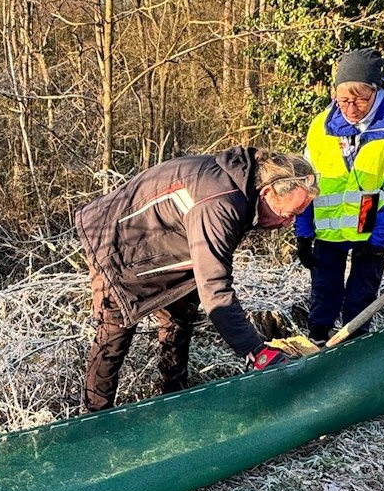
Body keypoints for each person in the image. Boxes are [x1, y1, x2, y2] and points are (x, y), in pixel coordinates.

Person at [74, 147, 319, 412]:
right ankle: (93, 417)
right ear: (268, 192)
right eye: (289, 215)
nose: (288, 225)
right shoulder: (221, 203)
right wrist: (257, 351)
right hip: (115, 242)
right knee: (114, 333)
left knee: (179, 318)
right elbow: (215, 288)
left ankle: (173, 395)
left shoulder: (241, 188)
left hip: (169, 245)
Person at [295, 49, 384, 342]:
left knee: (361, 294)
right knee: (324, 290)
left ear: (375, 91)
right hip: (329, 227)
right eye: (343, 101)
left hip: (373, 223)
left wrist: (380, 237)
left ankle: (354, 344)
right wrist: (303, 231)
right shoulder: (320, 125)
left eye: (360, 100)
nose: (351, 109)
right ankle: (317, 340)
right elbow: (306, 181)